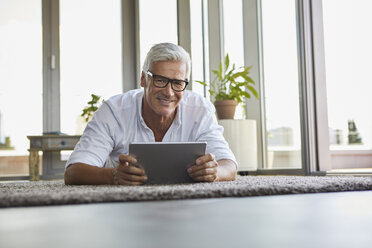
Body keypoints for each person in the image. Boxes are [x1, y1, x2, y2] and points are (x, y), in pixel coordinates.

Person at [64, 42, 237, 185]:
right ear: (143, 79)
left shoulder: (200, 110)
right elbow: (73, 172)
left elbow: (229, 165)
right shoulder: (114, 111)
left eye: (177, 83)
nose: (169, 92)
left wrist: (214, 172)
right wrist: (113, 176)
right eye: (160, 80)